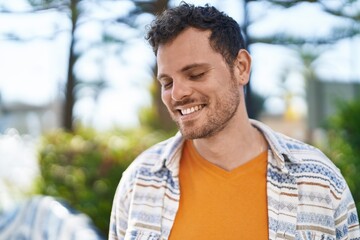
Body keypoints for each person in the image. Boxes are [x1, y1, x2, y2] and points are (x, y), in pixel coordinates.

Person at [109, 2, 360, 240]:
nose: (177, 94)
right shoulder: (138, 182)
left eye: (195, 74)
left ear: (241, 67)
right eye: (167, 82)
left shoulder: (319, 182)